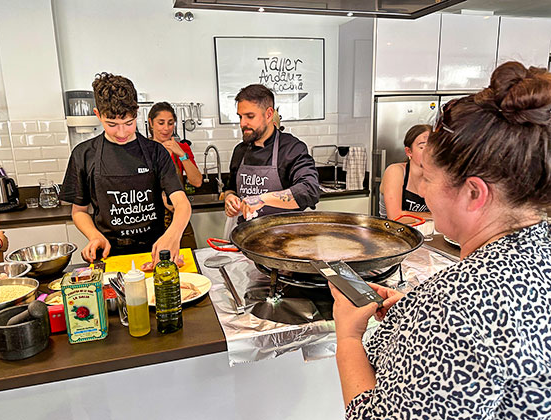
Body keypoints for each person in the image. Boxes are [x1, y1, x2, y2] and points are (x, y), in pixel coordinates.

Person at [331, 61, 551, 418]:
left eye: (428, 179)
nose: (424, 192)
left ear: (473, 194)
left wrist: (348, 338)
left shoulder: (456, 307)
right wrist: (411, 311)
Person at [60, 73, 191, 264]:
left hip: (154, 252)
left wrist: (172, 235)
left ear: (136, 114)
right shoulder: (84, 154)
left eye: (128, 123)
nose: (121, 132)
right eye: (112, 124)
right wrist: (94, 236)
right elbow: (79, 211)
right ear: (98, 115)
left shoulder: (155, 152)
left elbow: (182, 203)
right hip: (108, 253)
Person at [224, 84, 319, 221]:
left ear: (269, 114)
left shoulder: (292, 149)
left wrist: (261, 199)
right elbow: (231, 188)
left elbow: (309, 190)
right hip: (246, 234)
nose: (242, 123)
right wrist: (230, 197)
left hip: (283, 235)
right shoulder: (240, 151)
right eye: (240, 117)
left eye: (250, 116)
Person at [147, 101, 201, 249]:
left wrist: (182, 154)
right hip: (151, 220)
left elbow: (197, 181)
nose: (166, 128)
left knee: (188, 259)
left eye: (170, 123)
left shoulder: (182, 148)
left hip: (179, 217)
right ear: (151, 123)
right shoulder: (144, 150)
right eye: (161, 123)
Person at [379, 124, 431, 219]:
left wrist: (406, 214)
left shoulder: (438, 177)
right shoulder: (396, 172)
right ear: (409, 151)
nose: (429, 152)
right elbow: (395, 217)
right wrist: (431, 216)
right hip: (392, 232)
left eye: (432, 147)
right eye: (422, 147)